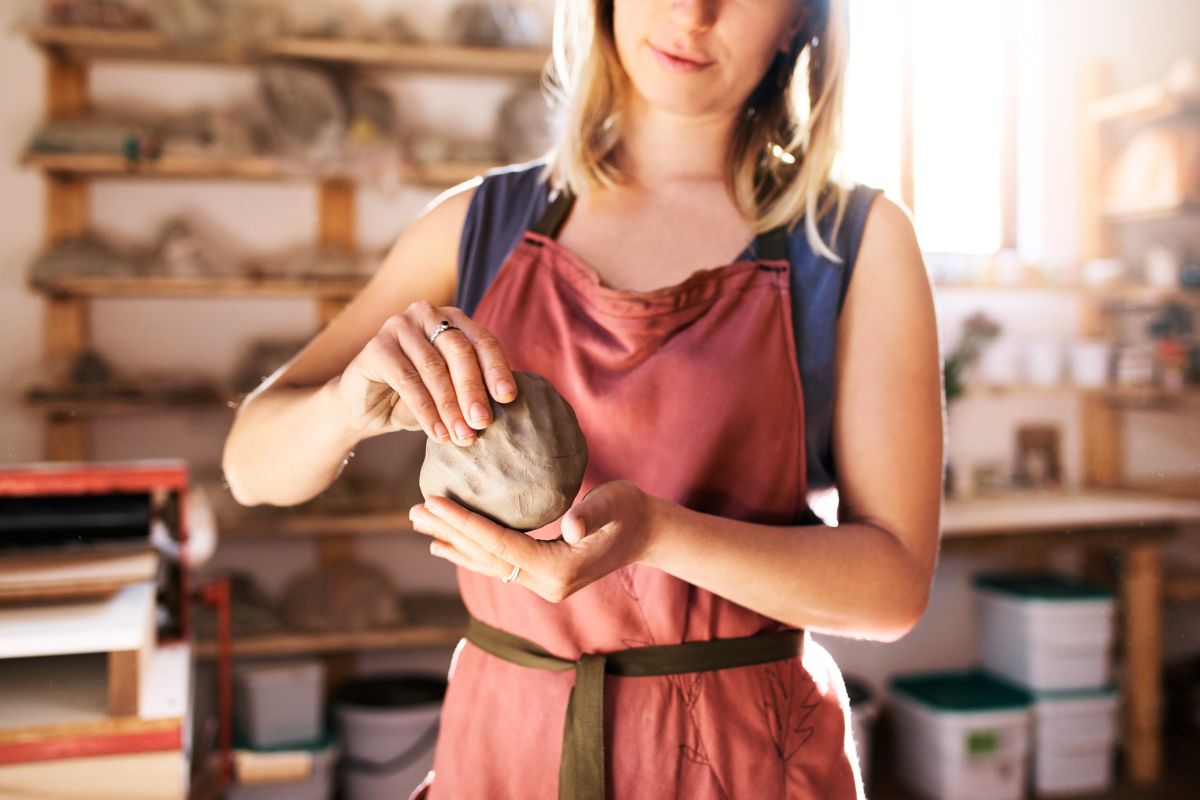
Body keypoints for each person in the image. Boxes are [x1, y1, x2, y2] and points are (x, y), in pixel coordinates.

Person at [221, 0, 945, 797]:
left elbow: (893, 589)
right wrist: (343, 407)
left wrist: (657, 535)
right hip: (506, 754)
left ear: (801, 18)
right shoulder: (479, 224)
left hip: (739, 764)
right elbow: (251, 468)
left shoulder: (853, 241)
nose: (692, 12)